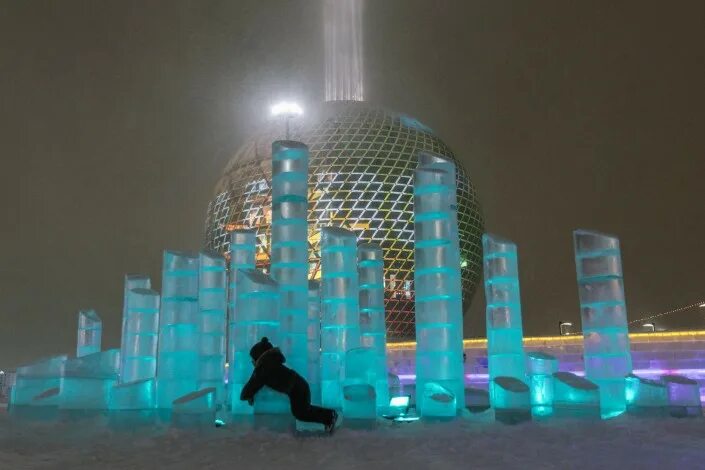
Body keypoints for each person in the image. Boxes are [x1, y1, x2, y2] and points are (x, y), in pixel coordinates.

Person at [240, 337, 339, 432]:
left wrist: (247, 395)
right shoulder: (270, 363)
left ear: (258, 357)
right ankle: (329, 417)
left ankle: (330, 416)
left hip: (297, 388)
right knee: (303, 411)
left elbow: (252, 384)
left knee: (301, 413)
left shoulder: (264, 368)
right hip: (299, 385)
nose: (252, 362)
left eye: (253, 359)